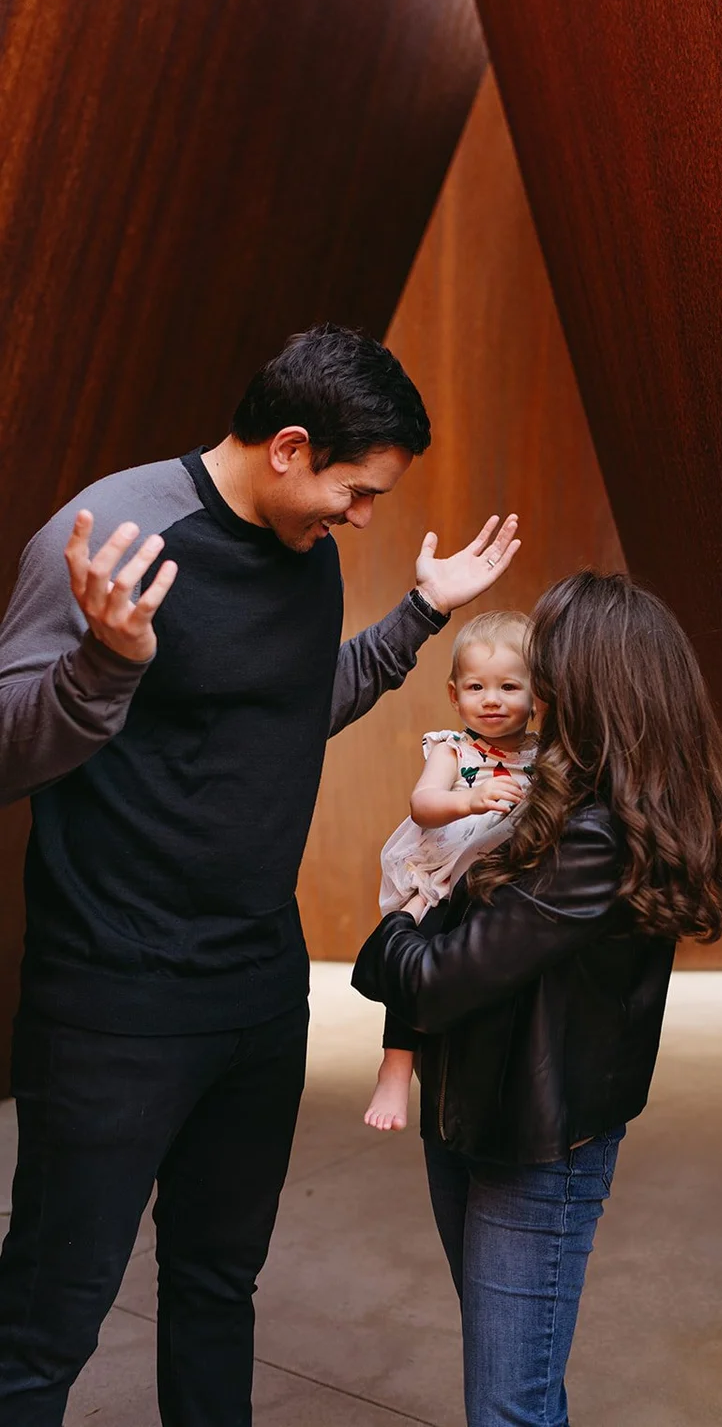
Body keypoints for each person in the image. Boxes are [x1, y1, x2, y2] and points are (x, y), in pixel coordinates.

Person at [0, 323, 520, 1426]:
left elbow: (285, 710)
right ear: (288, 448)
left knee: (216, 1287)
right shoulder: (115, 536)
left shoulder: (304, 547)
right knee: (48, 1318)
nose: (362, 518)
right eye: (355, 491)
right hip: (112, 1000)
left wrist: (421, 616)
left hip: (259, 994)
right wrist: (103, 666)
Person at [352, 570, 722, 1427]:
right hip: (473, 1106)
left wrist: (392, 927)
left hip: (532, 1144)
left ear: (591, 684)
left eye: (545, 667)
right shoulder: (557, 792)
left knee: (509, 1405)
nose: (531, 689)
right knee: (521, 1384)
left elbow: (433, 978)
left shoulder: (600, 833)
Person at [365, 610, 537, 1133]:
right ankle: (396, 1064)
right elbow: (423, 805)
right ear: (454, 695)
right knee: (416, 954)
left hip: (505, 883)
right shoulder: (452, 749)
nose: (491, 699)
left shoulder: (543, 755)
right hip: (446, 876)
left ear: (538, 695)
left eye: (509, 686)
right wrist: (470, 800)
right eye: (476, 687)